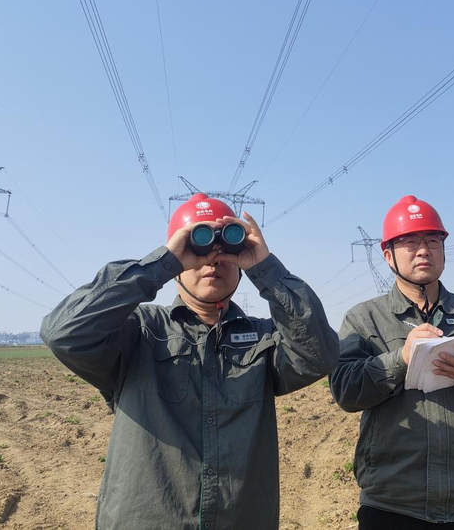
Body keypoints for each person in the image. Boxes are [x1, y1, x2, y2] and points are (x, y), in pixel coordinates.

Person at [41, 193, 338, 530]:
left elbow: (320, 355)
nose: (213, 261)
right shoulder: (138, 331)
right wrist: (162, 263)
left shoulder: (263, 338)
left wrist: (265, 268)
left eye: (227, 252)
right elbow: (63, 332)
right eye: (198, 251)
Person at [330, 195, 454, 529]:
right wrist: (401, 359)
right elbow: (346, 392)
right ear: (387, 255)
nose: (423, 250)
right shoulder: (365, 319)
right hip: (393, 503)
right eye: (409, 241)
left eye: (433, 240)